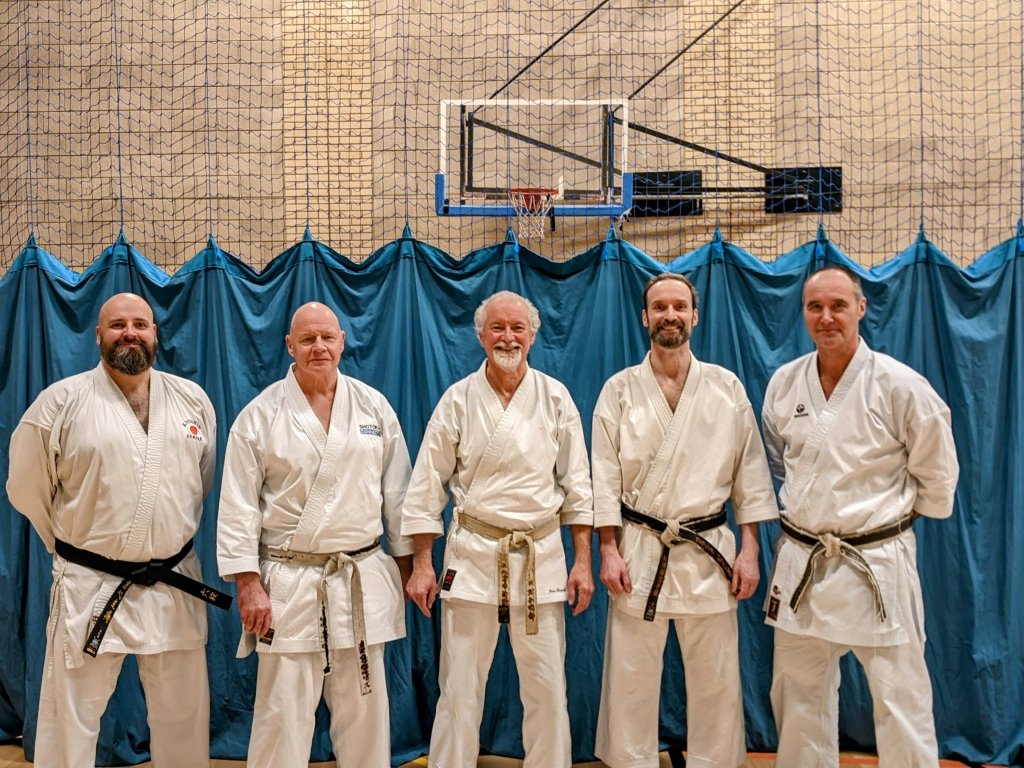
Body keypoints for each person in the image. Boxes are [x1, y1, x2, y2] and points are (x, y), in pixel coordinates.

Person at [6, 292, 226, 767]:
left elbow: (198, 484)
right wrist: (73, 549)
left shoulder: (192, 401)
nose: (131, 332)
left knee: (183, 717)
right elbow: (25, 488)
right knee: (71, 719)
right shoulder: (59, 403)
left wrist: (159, 534)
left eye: (141, 324)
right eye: (118, 325)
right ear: (98, 335)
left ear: (155, 333)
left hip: (173, 580)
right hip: (92, 583)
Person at [761, 265, 959, 767]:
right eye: (814, 307)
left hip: (875, 561)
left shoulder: (901, 385)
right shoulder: (785, 384)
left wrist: (882, 523)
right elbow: (781, 465)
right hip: (805, 560)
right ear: (803, 312)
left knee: (901, 698)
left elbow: (937, 477)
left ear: (861, 308)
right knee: (799, 698)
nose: (826, 317)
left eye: (838, 306)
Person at [590, 273, 779, 768]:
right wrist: (607, 550)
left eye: (679, 306)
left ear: (695, 316)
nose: (669, 315)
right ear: (645, 317)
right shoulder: (619, 390)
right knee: (630, 678)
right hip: (638, 548)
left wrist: (751, 549)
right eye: (659, 307)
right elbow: (603, 478)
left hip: (709, 549)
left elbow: (751, 474)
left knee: (716, 679)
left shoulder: (725, 387)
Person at [402, 290, 594, 768]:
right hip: (471, 556)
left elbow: (579, 488)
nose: (507, 337)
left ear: (532, 335)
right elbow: (427, 484)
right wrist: (423, 563)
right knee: (460, 689)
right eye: (497, 328)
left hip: (541, 554)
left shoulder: (554, 397)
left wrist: (583, 562)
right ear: (481, 336)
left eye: (517, 328)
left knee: (548, 689)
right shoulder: (459, 399)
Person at [217, 302, 413, 768]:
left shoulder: (373, 406)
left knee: (366, 714)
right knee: (281, 716)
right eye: (307, 339)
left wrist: (409, 568)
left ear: (343, 341)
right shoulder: (259, 416)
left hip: (360, 579)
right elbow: (238, 505)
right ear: (290, 345)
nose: (319, 347)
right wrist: (248, 584)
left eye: (327, 337)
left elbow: (399, 495)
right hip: (288, 584)